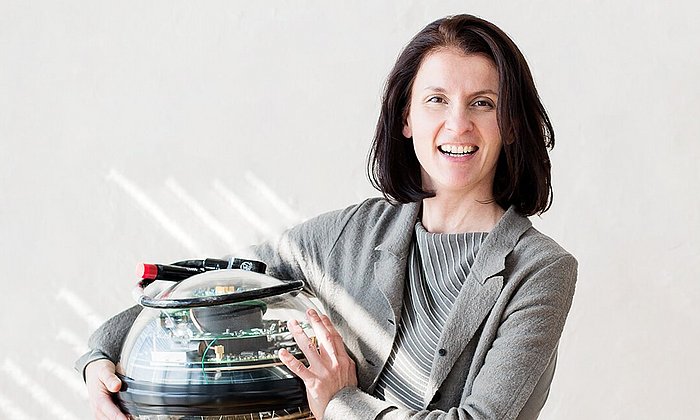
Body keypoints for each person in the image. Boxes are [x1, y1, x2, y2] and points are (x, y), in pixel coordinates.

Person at [77, 14, 577, 420]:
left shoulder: (541, 270)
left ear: (510, 124)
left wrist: (341, 402)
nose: (457, 124)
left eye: (483, 103)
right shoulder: (349, 234)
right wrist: (101, 353)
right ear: (406, 119)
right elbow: (220, 284)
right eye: (436, 100)